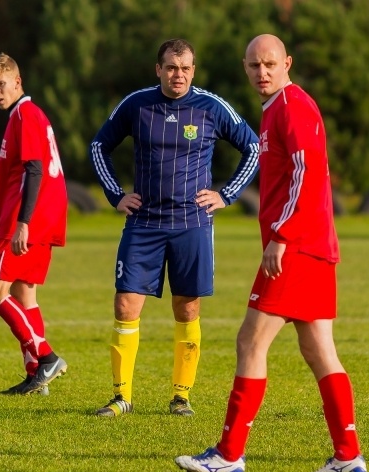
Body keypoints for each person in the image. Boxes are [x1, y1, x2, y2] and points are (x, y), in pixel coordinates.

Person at [175, 34, 366, 472]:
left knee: (250, 341)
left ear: (287, 64)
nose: (262, 72)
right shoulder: (276, 108)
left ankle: (228, 454)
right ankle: (347, 455)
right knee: (319, 349)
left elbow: (307, 172)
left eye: (270, 64)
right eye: (254, 65)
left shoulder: (293, 106)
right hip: (313, 246)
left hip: (298, 247)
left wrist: (281, 235)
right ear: (245, 67)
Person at [89, 38, 260, 417]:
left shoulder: (211, 107)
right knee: (125, 303)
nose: (177, 75)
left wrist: (226, 194)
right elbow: (99, 146)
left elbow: (254, 148)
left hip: (192, 223)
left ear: (193, 71)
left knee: (187, 309)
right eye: (170, 67)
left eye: (184, 68)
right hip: (144, 222)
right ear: (158, 70)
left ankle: (181, 397)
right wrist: (116, 195)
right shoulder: (137, 104)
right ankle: (121, 398)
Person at [0, 53, 69, 396]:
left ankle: (45, 356)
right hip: (37, 219)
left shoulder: (25, 114)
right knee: (24, 294)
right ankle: (36, 375)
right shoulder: (23, 115)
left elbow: (34, 169)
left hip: (26, 221)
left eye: (1, 84)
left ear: (18, 81)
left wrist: (23, 223)